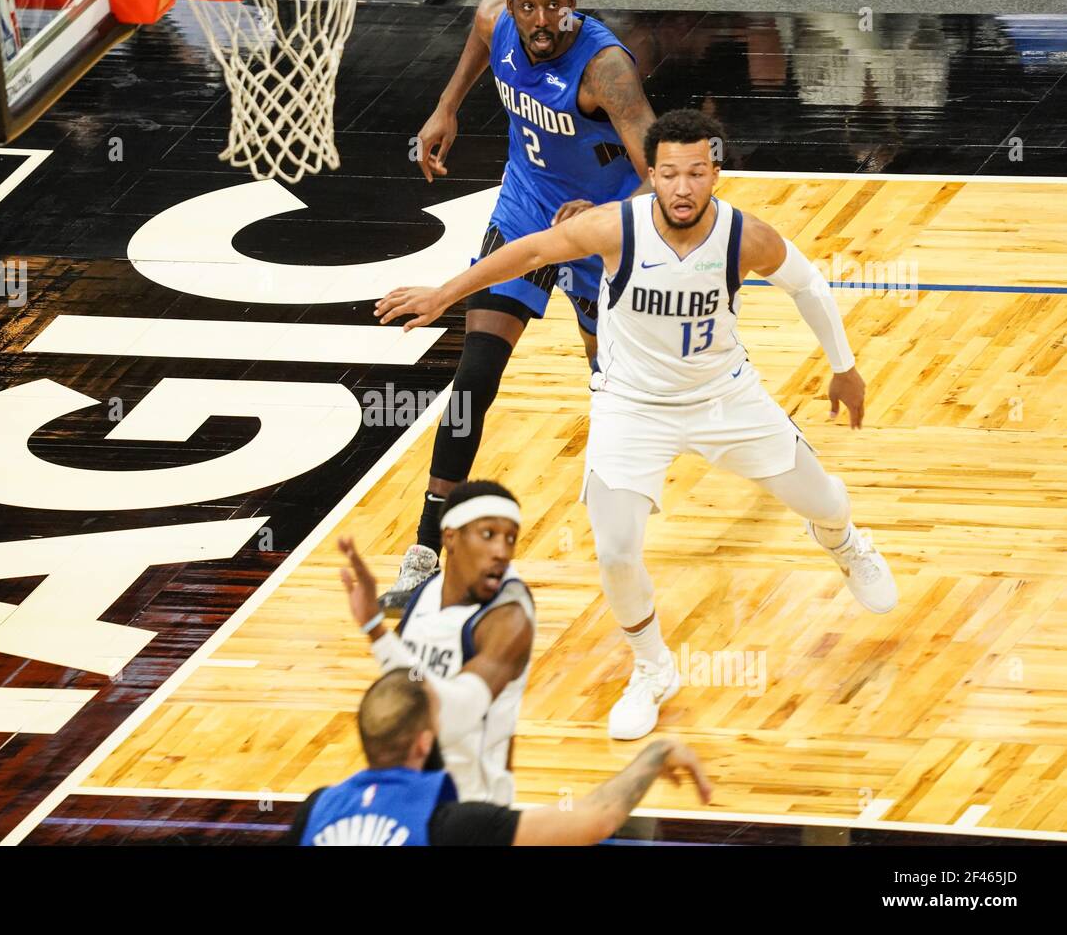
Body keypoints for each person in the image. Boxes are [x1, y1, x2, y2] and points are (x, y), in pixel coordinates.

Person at [376, 108, 899, 741]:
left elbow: (810, 287)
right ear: (650, 173)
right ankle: (652, 669)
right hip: (632, 408)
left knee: (827, 500)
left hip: (724, 398)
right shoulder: (616, 227)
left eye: (697, 173)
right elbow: (529, 251)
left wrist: (843, 367)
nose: (683, 188)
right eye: (670, 174)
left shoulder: (743, 236)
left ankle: (845, 546)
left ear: (716, 173)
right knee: (618, 553)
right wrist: (444, 294)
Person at [380, 0, 657, 612]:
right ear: (508, 0)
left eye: (553, 4)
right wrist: (448, 105)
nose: (539, 18)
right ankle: (426, 550)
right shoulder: (492, 18)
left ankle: (629, 532)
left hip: (597, 226)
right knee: (474, 376)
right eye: (525, 3)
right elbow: (480, 41)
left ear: (573, 2)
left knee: (610, 389)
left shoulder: (605, 69)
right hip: (527, 209)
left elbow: (661, 176)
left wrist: (605, 217)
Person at [286, 668, 712, 845]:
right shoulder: (454, 826)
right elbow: (595, 820)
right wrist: (657, 754)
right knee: (634, 831)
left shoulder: (315, 808)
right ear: (422, 743)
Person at [341, 480, 533, 804]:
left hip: (473, 811)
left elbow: (458, 714)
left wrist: (377, 631)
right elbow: (402, 688)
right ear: (450, 537)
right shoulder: (425, 595)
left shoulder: (509, 617)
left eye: (510, 539)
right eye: (488, 535)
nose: (501, 552)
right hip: (410, 797)